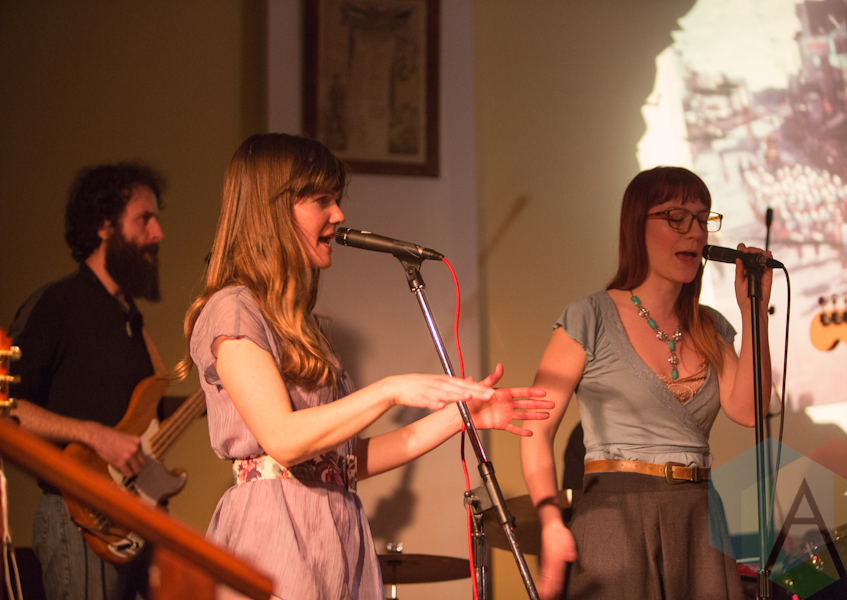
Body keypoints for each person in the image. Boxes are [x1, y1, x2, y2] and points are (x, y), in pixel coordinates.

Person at [174, 133, 550, 600]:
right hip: (277, 532)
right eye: (322, 201)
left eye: (336, 200)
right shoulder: (232, 309)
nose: (338, 215)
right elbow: (283, 439)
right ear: (272, 211)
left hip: (338, 533)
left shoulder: (304, 326)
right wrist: (389, 390)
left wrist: (462, 417)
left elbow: (346, 462)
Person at [520, 166, 772, 599]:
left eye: (702, 218)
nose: (694, 232)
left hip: (699, 520)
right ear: (637, 226)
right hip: (616, 518)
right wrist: (549, 522)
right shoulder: (590, 317)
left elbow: (749, 412)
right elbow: (535, 429)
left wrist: (755, 312)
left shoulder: (711, 327)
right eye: (677, 217)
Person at [8, 163, 166, 600]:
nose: (158, 233)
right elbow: (6, 406)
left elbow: (141, 413)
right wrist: (94, 436)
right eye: (144, 219)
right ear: (103, 225)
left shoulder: (129, 315)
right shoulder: (57, 304)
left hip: (133, 515)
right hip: (77, 519)